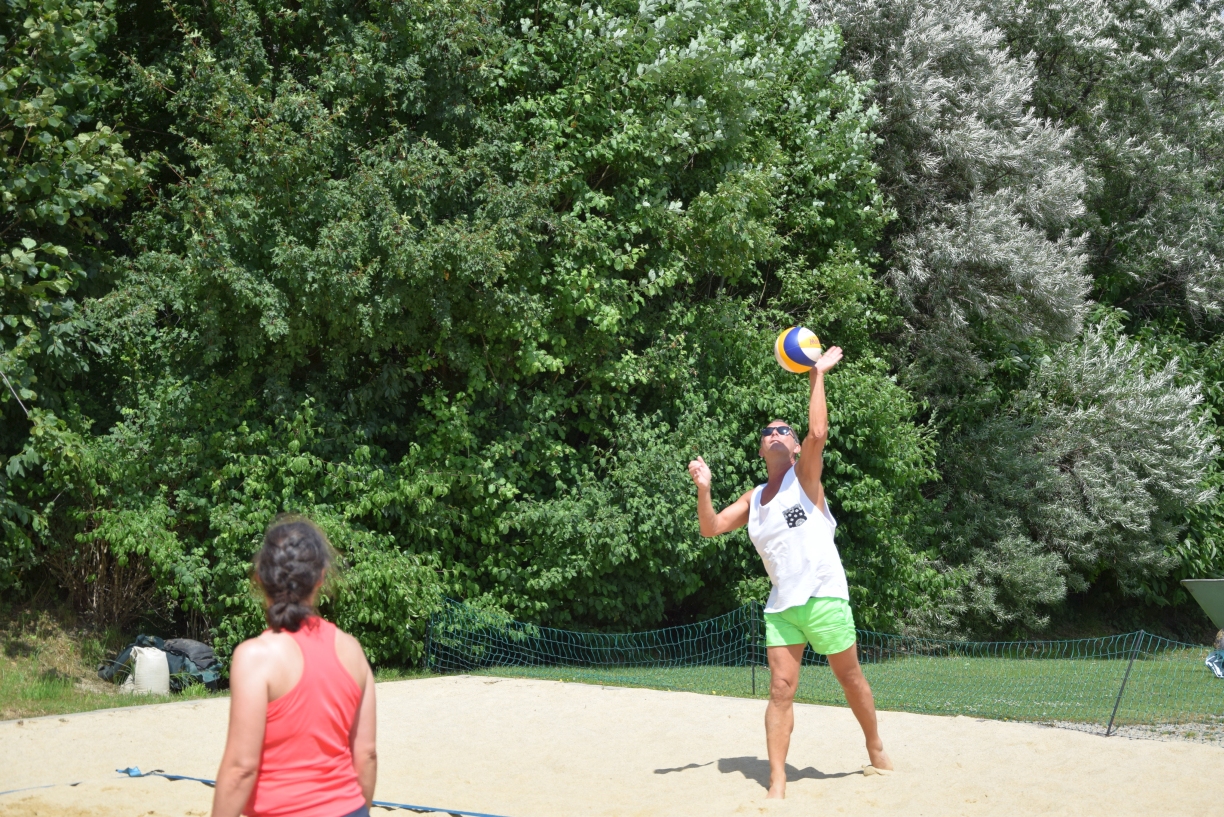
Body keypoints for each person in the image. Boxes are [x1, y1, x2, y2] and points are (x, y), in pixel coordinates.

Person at [687, 345, 892, 799]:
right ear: (762, 448)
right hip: (783, 605)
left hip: (824, 594)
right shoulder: (754, 497)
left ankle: (875, 747)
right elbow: (711, 528)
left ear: (795, 446)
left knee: (850, 679)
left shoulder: (805, 477)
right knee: (781, 690)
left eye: (784, 430)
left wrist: (817, 374)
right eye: (768, 432)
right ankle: (777, 782)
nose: (776, 433)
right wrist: (704, 489)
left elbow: (819, 431)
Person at [212, 517, 378, 817]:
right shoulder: (352, 650)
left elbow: (241, 769)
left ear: (259, 577)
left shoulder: (255, 657)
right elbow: (366, 755)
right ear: (321, 577)